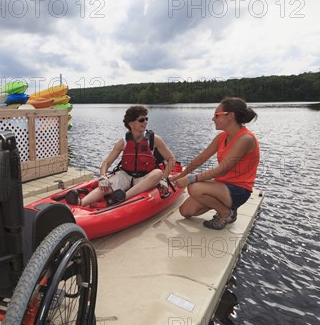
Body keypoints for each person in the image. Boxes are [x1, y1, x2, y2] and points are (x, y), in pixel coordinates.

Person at [172, 97, 260, 230]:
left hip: (239, 190)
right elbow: (201, 158)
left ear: (230, 116)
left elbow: (222, 170)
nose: (213, 119)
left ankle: (226, 213)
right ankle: (227, 208)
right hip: (222, 186)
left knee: (194, 188)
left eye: (217, 115)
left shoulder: (245, 139)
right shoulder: (221, 137)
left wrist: (190, 179)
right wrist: (180, 176)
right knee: (185, 211)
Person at [66, 105, 175, 207]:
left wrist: (164, 179)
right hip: (126, 175)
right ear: (131, 124)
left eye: (146, 119)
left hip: (144, 177)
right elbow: (106, 162)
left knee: (158, 173)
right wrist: (103, 176)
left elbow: (171, 159)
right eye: (141, 120)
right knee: (106, 185)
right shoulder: (123, 142)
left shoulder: (154, 139)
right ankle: (81, 202)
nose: (145, 122)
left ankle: (122, 197)